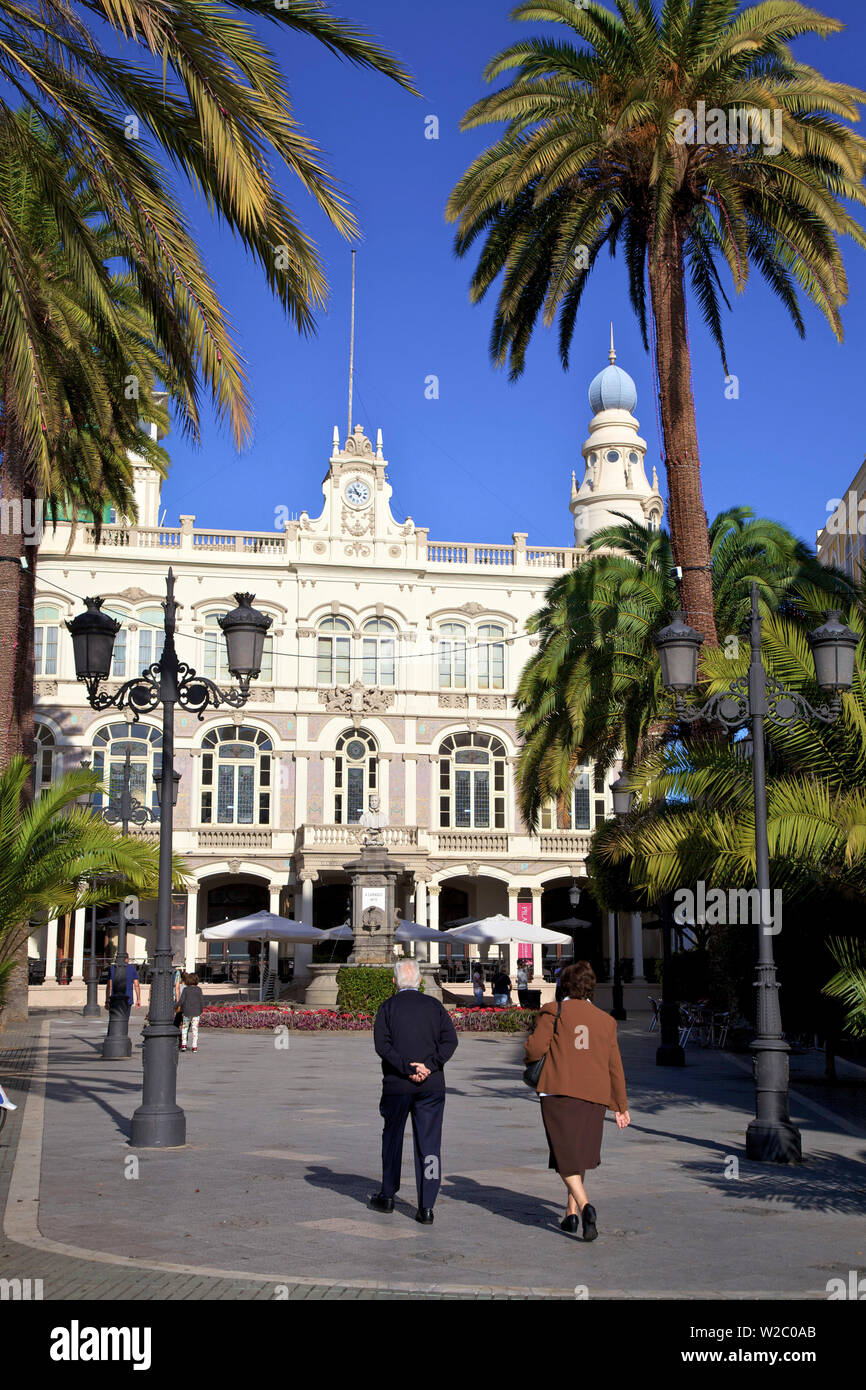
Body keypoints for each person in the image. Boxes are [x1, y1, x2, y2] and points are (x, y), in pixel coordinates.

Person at [524, 959, 629, 1242]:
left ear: (565, 985)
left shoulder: (554, 1011)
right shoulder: (606, 1021)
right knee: (578, 1153)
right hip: (595, 1094)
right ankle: (570, 1215)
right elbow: (614, 1065)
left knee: (563, 1153)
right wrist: (620, 1105)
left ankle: (584, 1206)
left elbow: (535, 1050)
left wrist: (527, 1048)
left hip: (559, 1090)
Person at [369, 958, 458, 1224]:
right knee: (429, 1144)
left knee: (392, 1138)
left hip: (397, 1085)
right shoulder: (435, 1007)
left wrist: (406, 1068)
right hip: (431, 1086)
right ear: (420, 981)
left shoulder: (387, 1008)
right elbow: (450, 1041)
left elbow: (382, 1046)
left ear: (394, 982)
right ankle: (427, 1206)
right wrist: (429, 1066)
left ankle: (387, 1195)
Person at [178, 973, 205, 1053]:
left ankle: (184, 1045)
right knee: (195, 1029)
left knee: (185, 1028)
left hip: (186, 1012)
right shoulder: (199, 989)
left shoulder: (186, 989)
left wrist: (174, 1006)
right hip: (196, 1012)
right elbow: (201, 1001)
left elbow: (181, 1001)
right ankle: (194, 1046)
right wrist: (201, 1010)